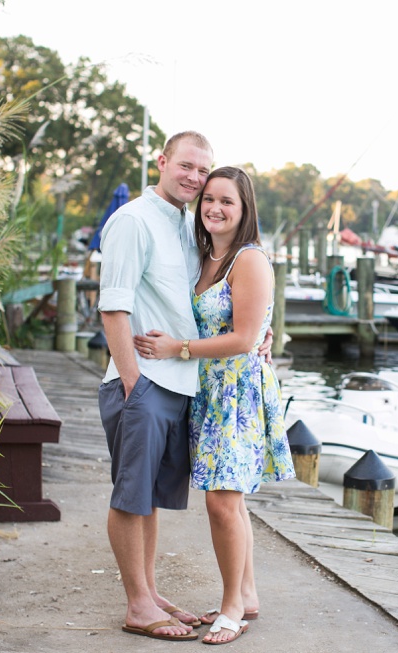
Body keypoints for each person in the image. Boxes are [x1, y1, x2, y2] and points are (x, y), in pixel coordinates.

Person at [133, 166, 295, 645]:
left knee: (222, 502)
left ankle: (231, 610)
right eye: (208, 199)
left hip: (236, 393)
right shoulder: (205, 257)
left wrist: (176, 348)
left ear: (243, 210)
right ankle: (245, 595)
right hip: (207, 391)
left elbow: (245, 338)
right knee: (231, 502)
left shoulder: (248, 259)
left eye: (227, 201)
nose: (214, 209)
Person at [96, 131, 213, 642]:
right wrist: (132, 384)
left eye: (203, 171)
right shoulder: (133, 221)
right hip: (141, 384)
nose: (194, 177)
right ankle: (137, 605)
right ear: (162, 162)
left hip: (178, 384)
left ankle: (149, 591)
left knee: (149, 500)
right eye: (186, 165)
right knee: (130, 497)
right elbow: (113, 307)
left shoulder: (186, 226)